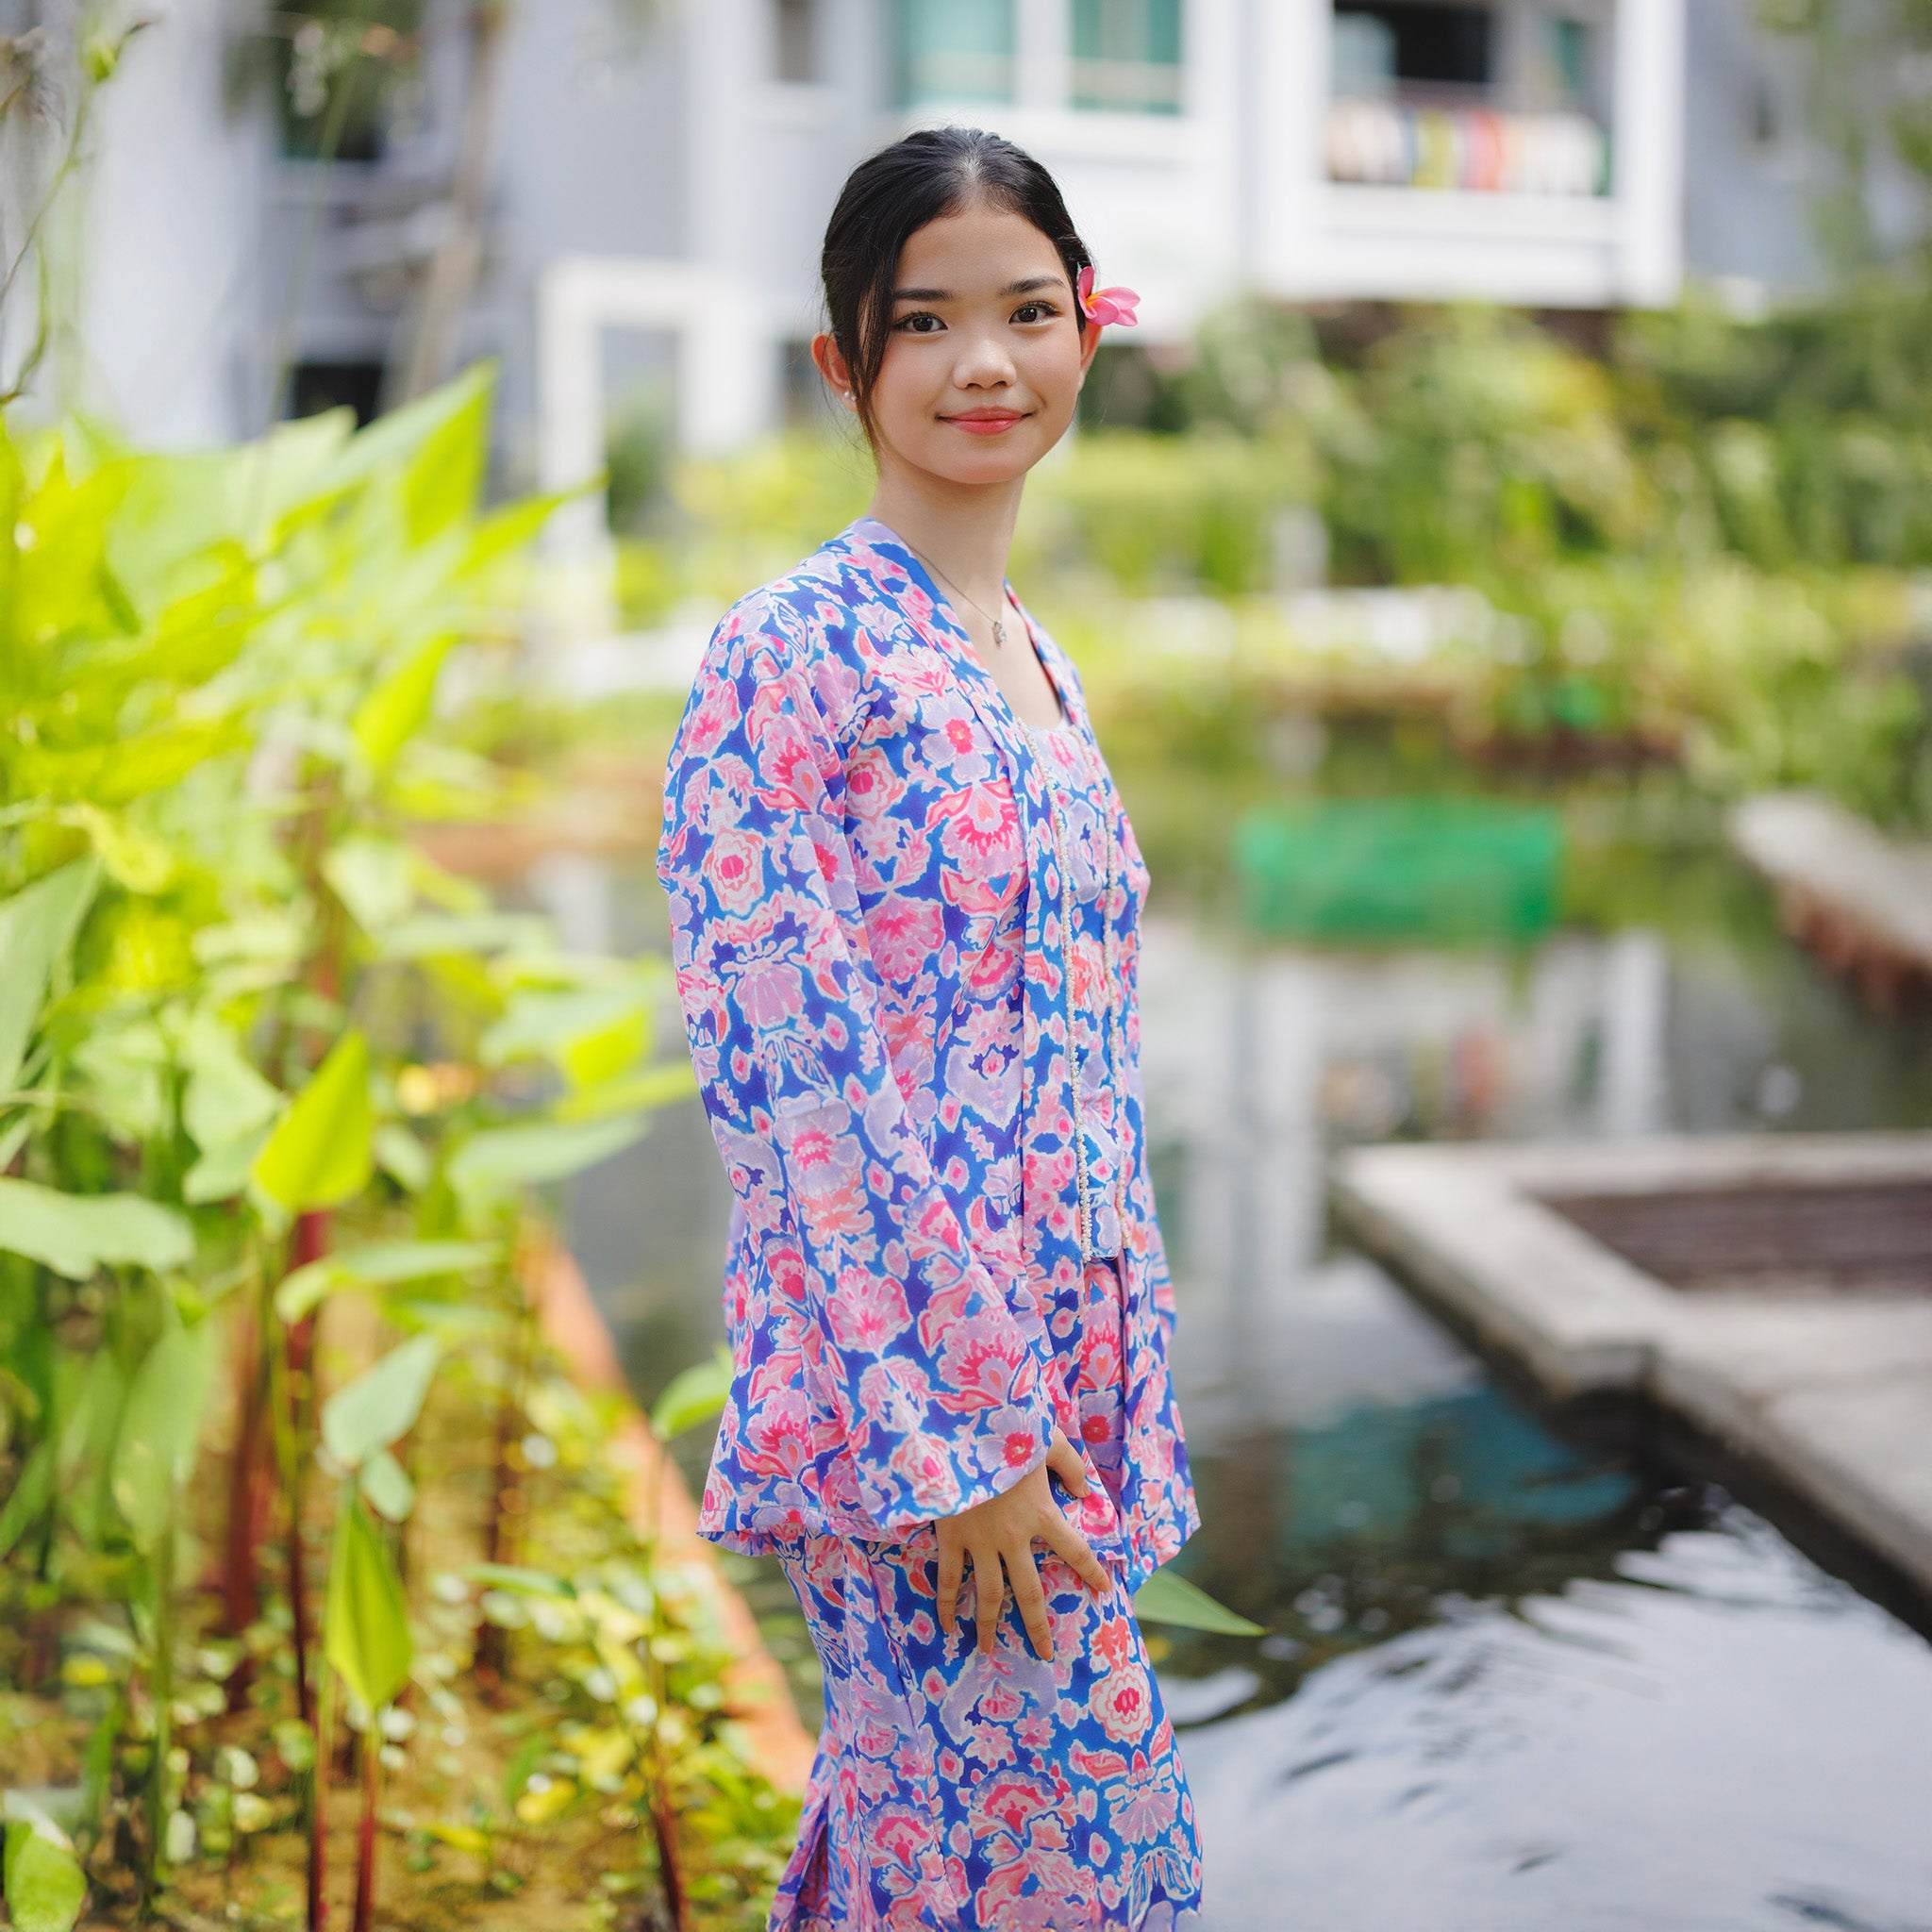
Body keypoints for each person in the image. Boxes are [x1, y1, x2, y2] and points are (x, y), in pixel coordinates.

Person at [657, 125, 1202, 1932]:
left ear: (1088, 330)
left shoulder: (1031, 654)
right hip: (924, 1422)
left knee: (939, 1854)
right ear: (845, 361)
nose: (986, 362)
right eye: (926, 321)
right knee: (1079, 1872)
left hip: (1065, 1393)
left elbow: (1075, 1058)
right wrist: (958, 1444)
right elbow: (794, 1085)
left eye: (1029, 312)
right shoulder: (790, 653)